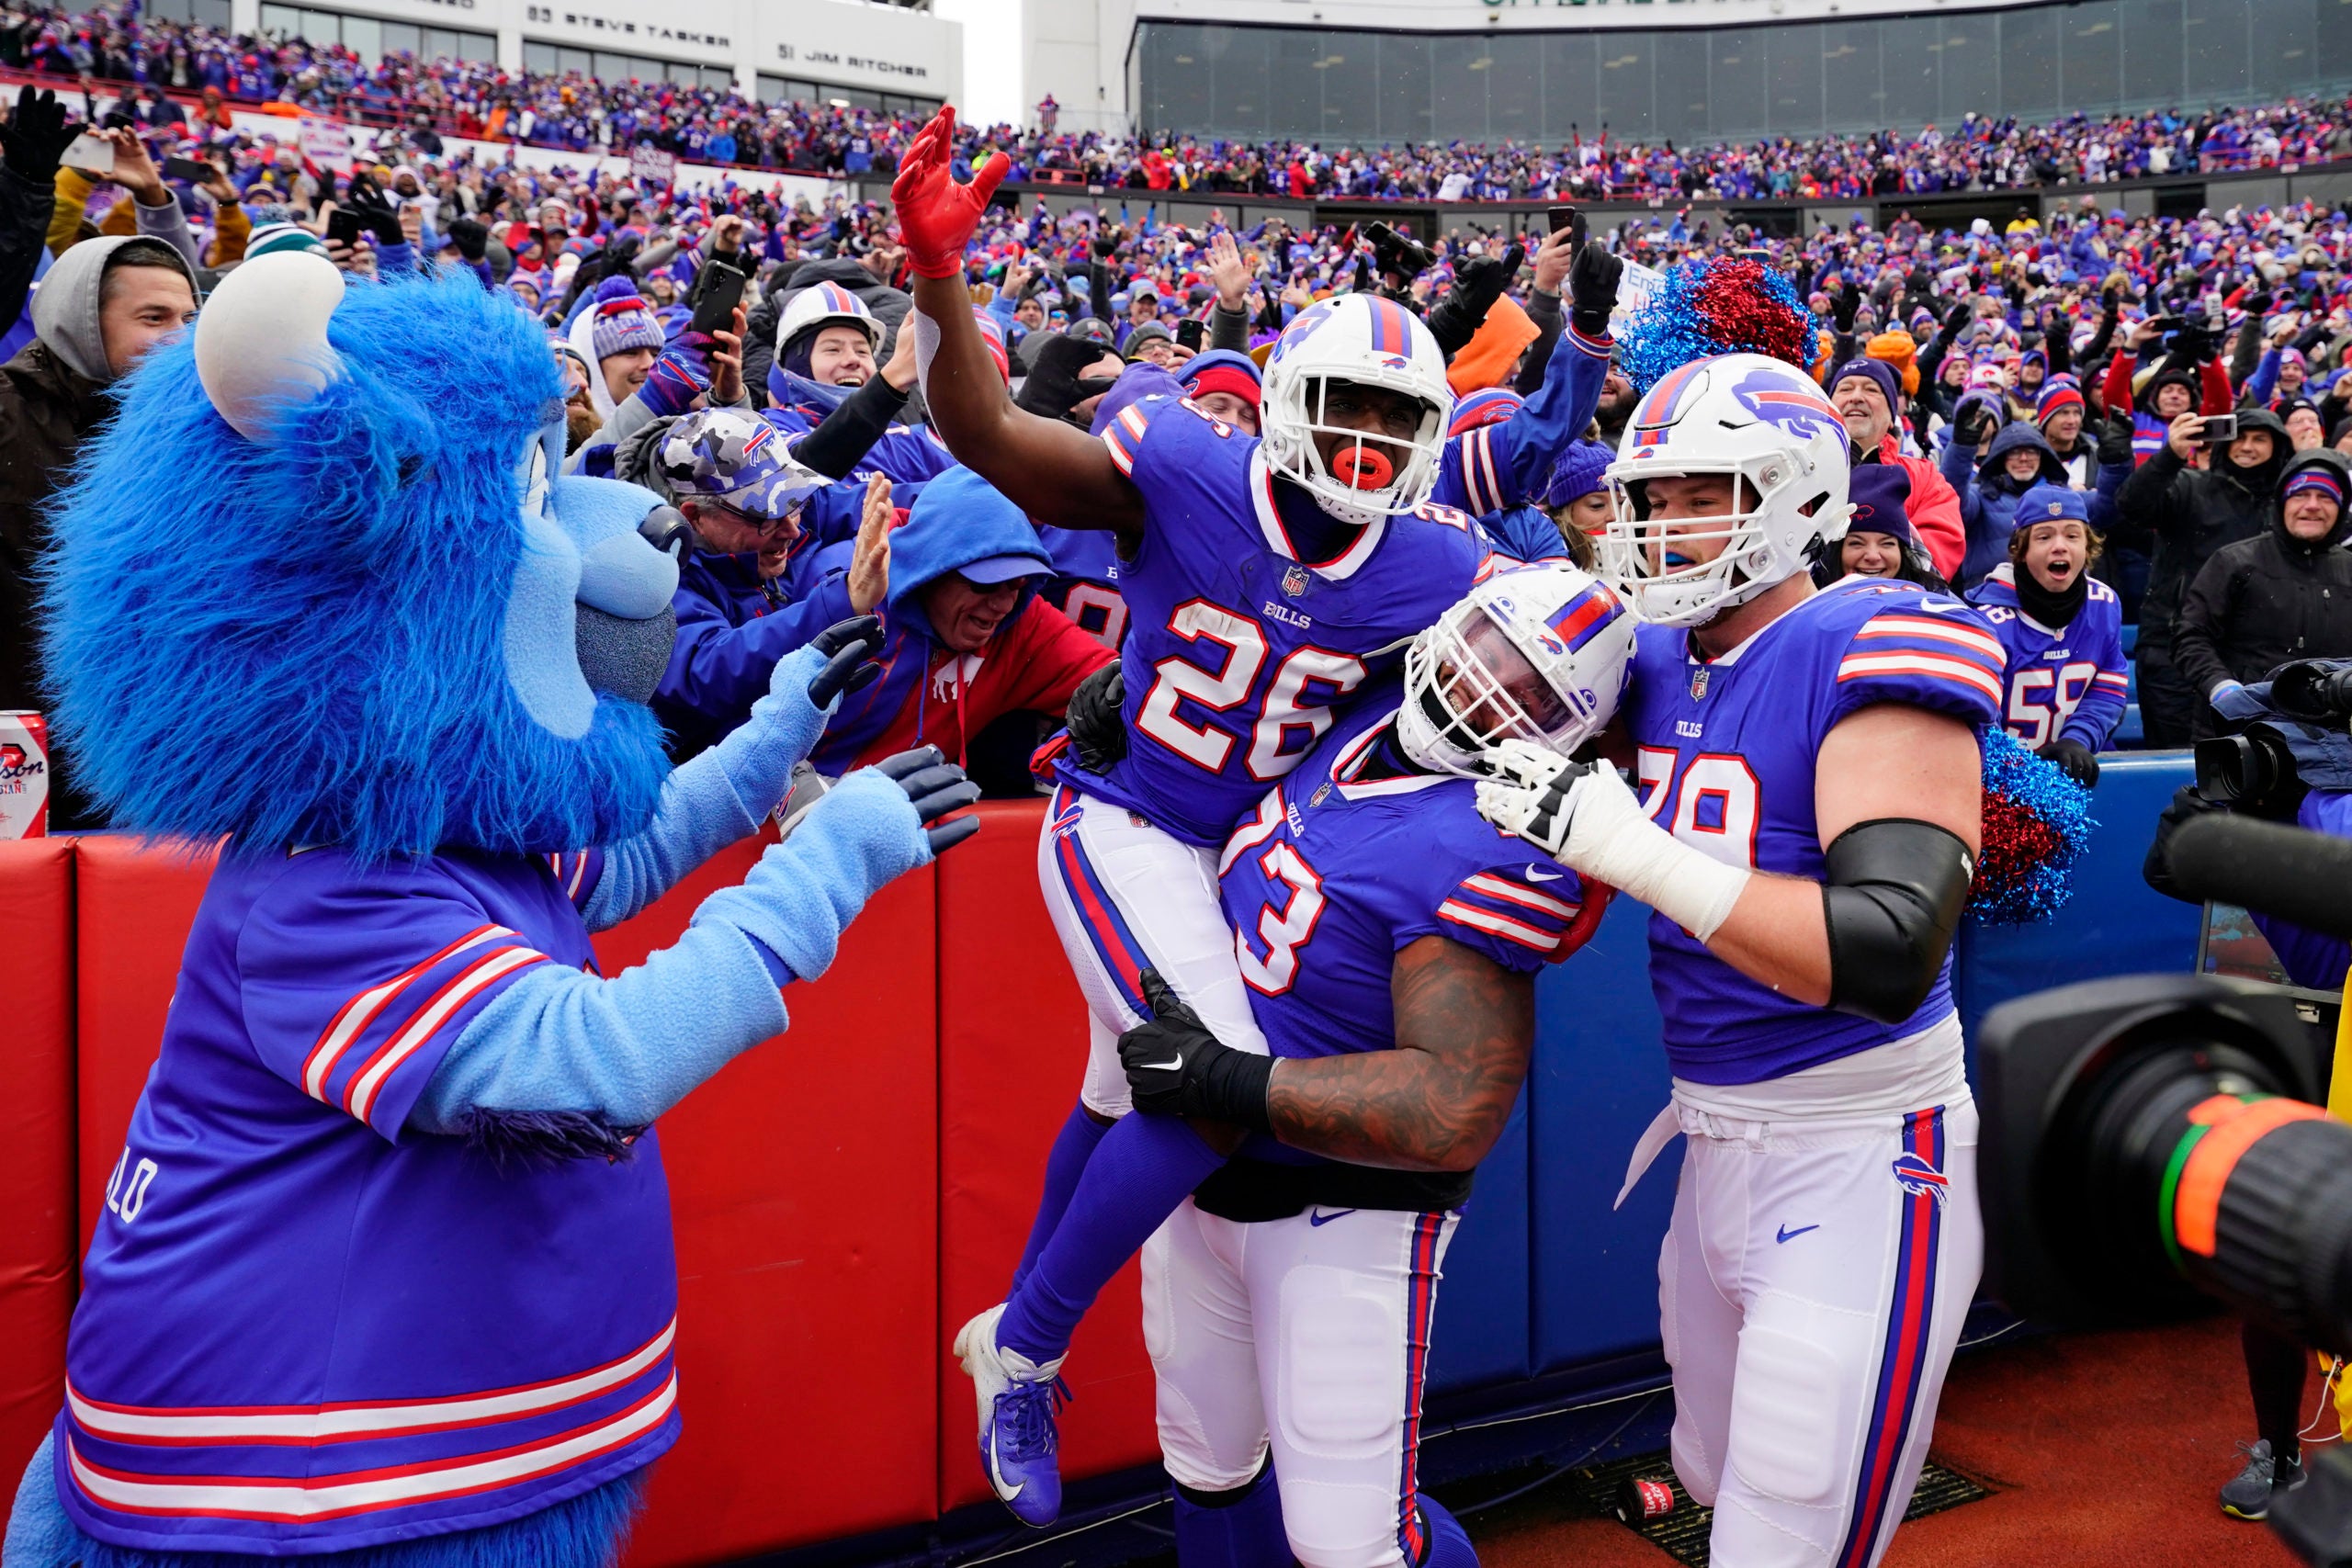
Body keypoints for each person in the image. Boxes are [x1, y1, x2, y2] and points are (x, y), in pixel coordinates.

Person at [888, 107, 1609, 1526]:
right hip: (1126, 820)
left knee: (1117, 1088)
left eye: (1392, 420)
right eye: (1339, 406)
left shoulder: (1436, 568)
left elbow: (1543, 656)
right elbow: (980, 428)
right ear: (1280, 400)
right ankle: (1021, 1343)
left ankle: (1019, 1337)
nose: (1359, 440)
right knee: (1205, 1076)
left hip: (1231, 852)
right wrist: (937, 281)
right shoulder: (1187, 467)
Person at [1477, 350, 1999, 1568]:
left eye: (1696, 494)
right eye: (1646, 498)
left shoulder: (1879, 631)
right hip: (1713, 1141)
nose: (1656, 526)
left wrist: (1634, 848)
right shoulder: (1653, 655)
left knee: (1785, 1533)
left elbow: (1887, 946)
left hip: (1864, 1157)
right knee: (1721, 1488)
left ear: (1802, 492)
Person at [1109, 562, 1633, 1568]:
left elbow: (1454, 1103)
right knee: (1206, 1465)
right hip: (1201, 1177)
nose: (1487, 690)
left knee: (1350, 1543)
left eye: (1531, 694)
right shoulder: (1362, 693)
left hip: (1339, 1208)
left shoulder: (1488, 840)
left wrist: (1232, 1084)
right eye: (1488, 652)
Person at [0, 232, 198, 829]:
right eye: (153, 316)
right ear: (82, 322)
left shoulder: (194, 428)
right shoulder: (6, 417)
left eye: (190, 317)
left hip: (143, 752)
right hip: (24, 747)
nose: (179, 336)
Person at [802, 466, 1116, 777]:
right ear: (933, 569)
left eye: (1018, 582)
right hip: (785, 806)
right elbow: (757, 695)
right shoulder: (845, 594)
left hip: (906, 815)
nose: (1003, 603)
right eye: (985, 583)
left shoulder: (1022, 623)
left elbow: (1126, 691)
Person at [638, 409, 892, 762]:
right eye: (764, 514)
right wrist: (842, 601)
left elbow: (881, 508)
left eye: (793, 502)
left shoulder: (788, 515)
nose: (790, 529)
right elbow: (710, 671)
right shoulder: (652, 576)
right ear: (695, 517)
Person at [2113, 407, 2289, 747]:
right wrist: (2171, 455)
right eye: (2239, 438)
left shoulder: (2285, 506)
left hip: (2250, 660)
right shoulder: (2190, 486)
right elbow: (2132, 504)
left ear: (2277, 447)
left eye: (2259, 439)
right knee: (2177, 768)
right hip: (2171, 654)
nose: (2247, 447)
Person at [2174, 448, 2352, 740]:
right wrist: (2221, 687)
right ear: (2282, 502)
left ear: (2341, 508)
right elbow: (2191, 637)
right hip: (2242, 734)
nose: (2312, 506)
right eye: (2300, 495)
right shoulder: (2234, 561)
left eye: (2325, 497)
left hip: (2331, 739)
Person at [1966, 484, 2127, 784]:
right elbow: (1978, 718)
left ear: (2087, 546)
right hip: (2003, 780)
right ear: (2020, 550)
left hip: (2080, 765)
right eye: (2044, 537)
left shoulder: (2104, 604)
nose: (2060, 546)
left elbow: (2107, 687)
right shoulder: (1986, 622)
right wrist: (2012, 768)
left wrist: (2078, 739)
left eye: (2072, 535)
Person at [1825, 355, 1964, 579]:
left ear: (1892, 417)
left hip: (1897, 607)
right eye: (1845, 389)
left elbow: (1939, 554)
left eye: (1871, 390)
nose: (1856, 397)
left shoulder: (1924, 477)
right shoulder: (1802, 470)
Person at [1941, 414, 2067, 590]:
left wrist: (2114, 463)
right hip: (1990, 598)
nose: (2023, 458)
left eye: (2031, 451)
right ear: (2000, 457)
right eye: (2014, 452)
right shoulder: (1980, 496)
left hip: (2053, 598)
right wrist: (1962, 448)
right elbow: (1951, 498)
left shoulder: (2064, 498)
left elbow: (2105, 507)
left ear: (2042, 456)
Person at [1817, 467, 1947, 592]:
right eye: (1856, 543)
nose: (1872, 556)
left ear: (1904, 552)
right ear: (1837, 551)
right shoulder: (1807, 598)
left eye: (1887, 544)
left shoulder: (1937, 604)